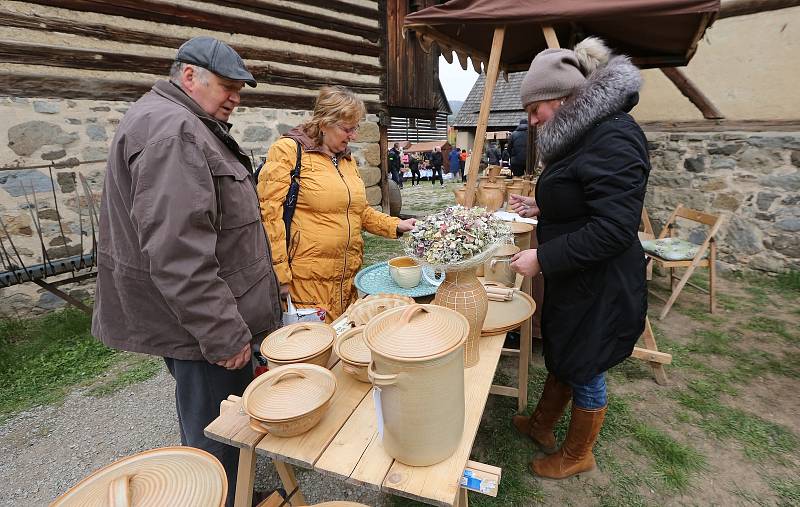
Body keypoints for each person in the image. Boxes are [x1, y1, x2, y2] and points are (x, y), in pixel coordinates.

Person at [92, 37, 282, 507]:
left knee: (225, 421)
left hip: (204, 317)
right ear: (189, 76)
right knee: (216, 429)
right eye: (227, 86)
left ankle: (236, 491)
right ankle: (220, 497)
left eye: (241, 88)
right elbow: (179, 251)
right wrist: (221, 332)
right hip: (203, 327)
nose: (236, 97)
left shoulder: (181, 122)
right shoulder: (172, 131)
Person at [507, 37, 649, 479]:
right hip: (579, 276)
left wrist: (542, 259)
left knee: (585, 364)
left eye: (536, 110)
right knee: (567, 350)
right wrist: (543, 208)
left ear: (567, 97)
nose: (531, 121)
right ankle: (542, 425)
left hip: (602, 282)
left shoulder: (614, 135)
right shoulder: (584, 135)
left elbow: (613, 228)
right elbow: (585, 200)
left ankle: (577, 454)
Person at [258, 86, 416, 322]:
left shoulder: (345, 160)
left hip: (346, 281)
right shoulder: (288, 151)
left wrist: (396, 225)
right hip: (306, 283)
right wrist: (280, 275)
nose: (353, 136)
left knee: (342, 349)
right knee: (313, 352)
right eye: (347, 129)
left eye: (356, 128)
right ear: (324, 123)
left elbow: (357, 211)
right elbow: (269, 217)